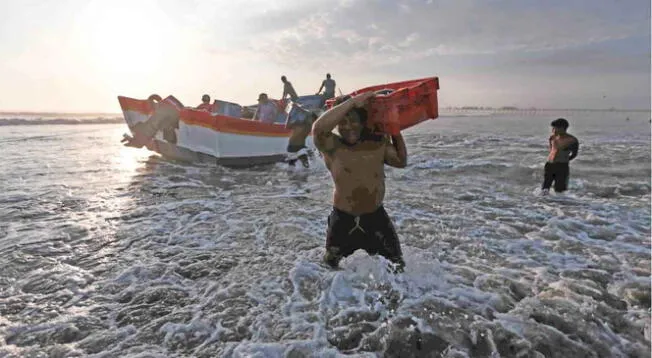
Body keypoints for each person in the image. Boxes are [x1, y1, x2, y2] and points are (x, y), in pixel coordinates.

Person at [312, 92, 407, 272]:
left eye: (354, 120)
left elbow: (401, 161)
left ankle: (394, 301)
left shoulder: (377, 143)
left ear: (363, 122)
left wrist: (395, 130)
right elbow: (318, 129)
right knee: (330, 270)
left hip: (375, 217)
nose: (349, 127)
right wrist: (353, 102)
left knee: (397, 267)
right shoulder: (332, 146)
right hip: (343, 220)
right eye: (343, 123)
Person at [542, 118, 579, 194]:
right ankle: (544, 204)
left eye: (555, 128)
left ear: (562, 128)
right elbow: (552, 150)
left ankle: (560, 205)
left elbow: (574, 154)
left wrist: (565, 160)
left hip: (562, 166)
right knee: (545, 188)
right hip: (549, 165)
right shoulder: (552, 138)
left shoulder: (572, 140)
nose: (553, 130)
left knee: (560, 190)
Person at [285, 102, 317, 168]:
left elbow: (307, 113)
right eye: (311, 119)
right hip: (291, 147)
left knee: (306, 165)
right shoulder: (299, 123)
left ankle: (306, 176)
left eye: (312, 120)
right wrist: (289, 115)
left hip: (301, 147)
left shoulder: (311, 126)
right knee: (291, 167)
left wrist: (298, 108)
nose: (311, 121)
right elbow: (287, 126)